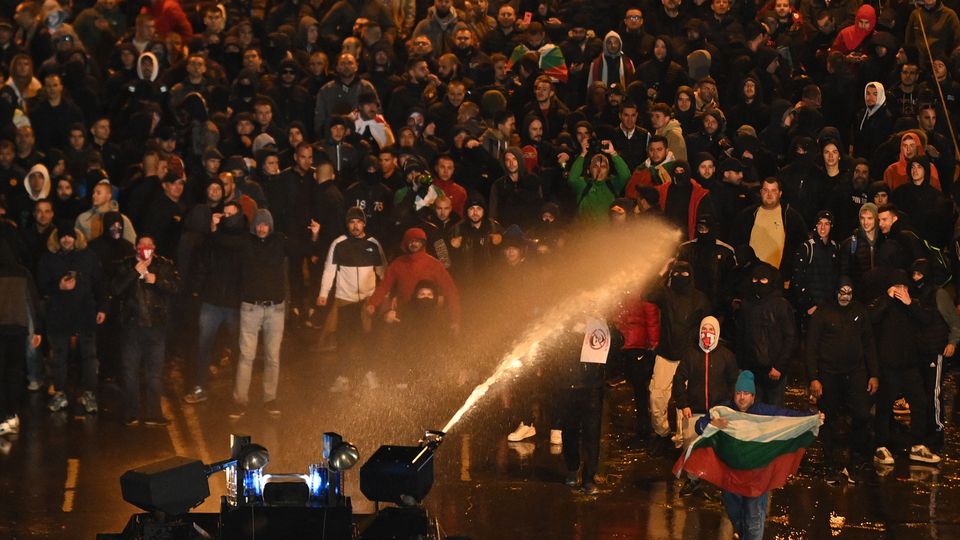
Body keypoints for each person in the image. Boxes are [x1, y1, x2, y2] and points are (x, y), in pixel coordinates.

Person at [694, 371, 822, 540]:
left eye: (746, 393)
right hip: (731, 477)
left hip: (757, 477)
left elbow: (787, 417)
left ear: (753, 396)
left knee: (754, 517)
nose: (741, 397)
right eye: (738, 393)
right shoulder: (724, 411)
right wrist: (711, 423)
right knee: (735, 512)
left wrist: (812, 418)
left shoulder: (762, 412)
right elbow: (699, 426)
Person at [806, 278, 878, 483]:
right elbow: (811, 347)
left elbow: (869, 343)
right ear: (835, 291)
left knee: (862, 415)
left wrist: (874, 374)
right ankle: (830, 460)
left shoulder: (860, 312)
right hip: (829, 374)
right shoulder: (823, 313)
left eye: (849, 292)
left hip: (855, 372)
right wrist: (813, 378)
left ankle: (856, 458)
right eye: (842, 292)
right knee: (828, 418)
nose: (845, 296)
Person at [112, 235, 179, 426]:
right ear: (135, 247)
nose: (146, 248)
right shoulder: (125, 265)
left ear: (155, 247)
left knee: (155, 373)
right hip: (131, 328)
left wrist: (156, 279)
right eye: (142, 245)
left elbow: (176, 287)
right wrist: (134, 273)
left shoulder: (164, 265)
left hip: (156, 327)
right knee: (130, 371)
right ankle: (131, 412)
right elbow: (115, 289)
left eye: (149, 245)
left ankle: (154, 413)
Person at [314, 207, 387, 353]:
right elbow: (329, 271)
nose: (355, 226)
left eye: (359, 222)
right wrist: (323, 294)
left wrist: (386, 294)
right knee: (344, 339)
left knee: (368, 338)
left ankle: (368, 373)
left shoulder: (373, 244)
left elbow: (383, 272)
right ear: (347, 224)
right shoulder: (338, 244)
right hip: (345, 299)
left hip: (368, 299)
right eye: (352, 222)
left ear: (364, 224)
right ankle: (344, 375)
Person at [738, 263, 796, 406]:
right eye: (755, 280)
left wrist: (779, 366)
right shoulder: (747, 305)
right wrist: (743, 366)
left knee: (773, 415)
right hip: (752, 372)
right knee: (753, 413)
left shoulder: (781, 305)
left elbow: (790, 338)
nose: (758, 283)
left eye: (763, 280)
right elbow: (741, 337)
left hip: (774, 372)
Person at [0, 238, 42, 436]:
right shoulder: (23, 272)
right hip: (18, 328)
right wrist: (39, 329)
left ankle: (3, 416)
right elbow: (33, 302)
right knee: (14, 372)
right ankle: (12, 414)